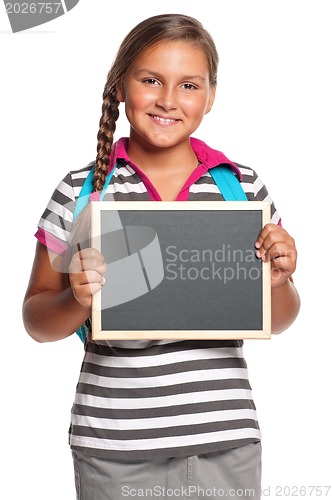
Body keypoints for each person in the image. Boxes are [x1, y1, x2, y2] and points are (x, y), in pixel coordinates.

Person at [23, 13, 300, 500]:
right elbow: (37, 320)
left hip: (224, 438)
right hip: (113, 445)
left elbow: (278, 320)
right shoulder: (83, 191)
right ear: (121, 87)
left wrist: (277, 282)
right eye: (151, 80)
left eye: (189, 85)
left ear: (211, 96)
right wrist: (78, 299)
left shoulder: (241, 188)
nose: (168, 99)